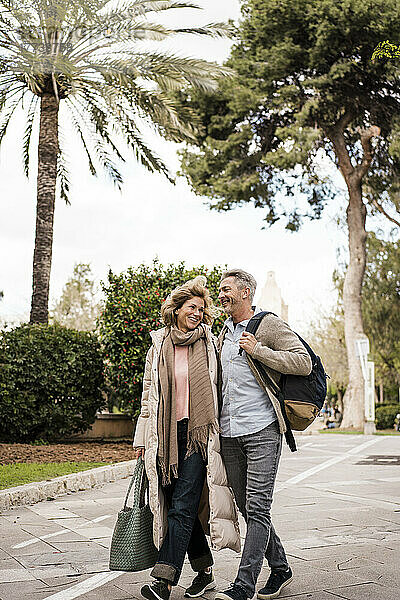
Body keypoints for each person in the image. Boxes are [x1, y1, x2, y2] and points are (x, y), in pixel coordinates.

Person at [133, 276, 240, 600]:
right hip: (165, 438)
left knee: (181, 507)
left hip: (197, 436)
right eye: (191, 307)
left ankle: (163, 581)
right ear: (176, 309)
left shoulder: (207, 342)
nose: (197, 312)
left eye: (201, 309)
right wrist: (141, 439)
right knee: (182, 510)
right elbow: (148, 395)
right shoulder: (159, 345)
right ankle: (205, 571)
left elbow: (223, 382)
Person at [215, 269, 312, 600]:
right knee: (245, 505)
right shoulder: (222, 333)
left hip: (262, 430)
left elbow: (303, 363)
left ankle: (243, 586)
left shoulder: (267, 324)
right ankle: (281, 567)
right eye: (219, 290)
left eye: (226, 289)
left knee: (257, 507)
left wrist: (260, 351)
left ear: (245, 293)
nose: (221, 294)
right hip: (229, 434)